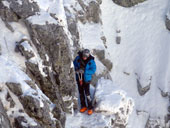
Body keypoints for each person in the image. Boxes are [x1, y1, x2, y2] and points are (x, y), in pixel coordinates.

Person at [73, 49, 96, 115]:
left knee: (87, 93)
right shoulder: (78, 58)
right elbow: (73, 65)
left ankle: (90, 107)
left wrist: (84, 71)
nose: (84, 57)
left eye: (86, 56)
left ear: (88, 56)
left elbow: (93, 70)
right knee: (81, 93)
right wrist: (77, 69)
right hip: (79, 78)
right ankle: (84, 106)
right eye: (83, 55)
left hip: (86, 79)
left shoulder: (91, 61)